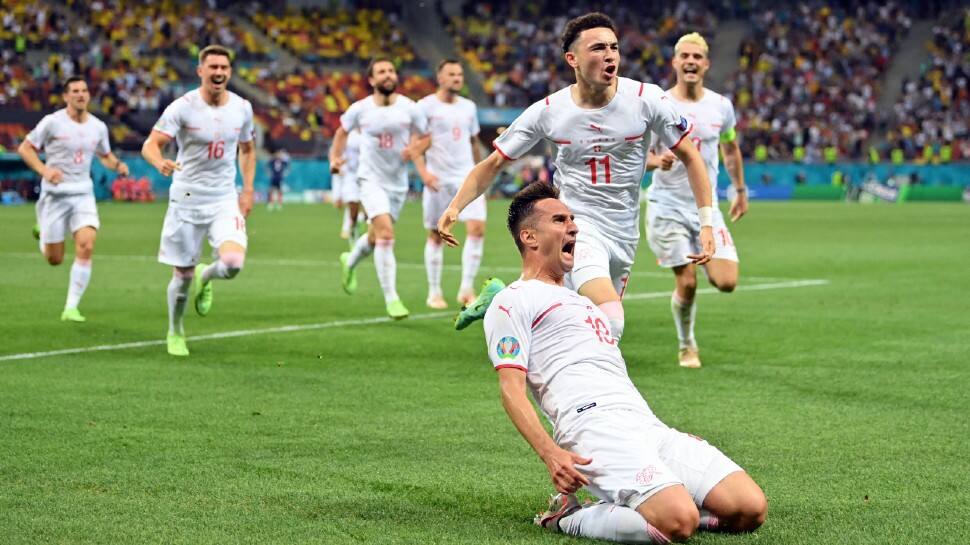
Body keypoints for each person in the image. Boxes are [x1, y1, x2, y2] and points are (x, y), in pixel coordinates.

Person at [484, 183, 766, 543]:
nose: (573, 226)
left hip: (644, 422)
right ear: (529, 237)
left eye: (572, 219)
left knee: (749, 508)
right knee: (677, 521)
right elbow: (511, 391)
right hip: (592, 426)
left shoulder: (582, 302)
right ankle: (569, 516)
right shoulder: (512, 301)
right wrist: (551, 454)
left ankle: (653, 504)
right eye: (559, 220)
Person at [437, 13, 715, 336]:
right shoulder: (550, 111)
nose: (609, 55)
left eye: (614, 47)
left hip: (624, 233)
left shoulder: (647, 99)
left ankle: (501, 299)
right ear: (573, 59)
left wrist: (706, 222)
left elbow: (691, 157)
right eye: (597, 48)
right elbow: (493, 163)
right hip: (576, 226)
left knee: (570, 322)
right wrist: (455, 206)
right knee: (611, 321)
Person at [141, 44, 257, 357]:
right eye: (213, 67)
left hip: (223, 197)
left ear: (230, 72)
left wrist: (247, 189)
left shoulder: (242, 108)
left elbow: (247, 148)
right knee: (182, 275)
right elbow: (151, 145)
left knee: (233, 263)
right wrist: (159, 162)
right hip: (188, 197)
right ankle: (176, 331)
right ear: (200, 71)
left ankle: (209, 276)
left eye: (224, 67)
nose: (218, 72)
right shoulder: (183, 107)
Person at [645, 33, 748, 369]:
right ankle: (687, 345)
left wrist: (740, 189)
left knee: (727, 281)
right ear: (675, 62)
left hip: (706, 209)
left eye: (697, 57)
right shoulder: (658, 102)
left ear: (706, 64)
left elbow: (730, 148)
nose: (690, 61)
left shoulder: (721, 106)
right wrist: (654, 162)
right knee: (686, 281)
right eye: (684, 56)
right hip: (667, 206)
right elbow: (635, 151)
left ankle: (701, 257)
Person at [17, 75, 129, 322]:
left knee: (87, 244)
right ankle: (42, 232)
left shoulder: (98, 127)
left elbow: (105, 155)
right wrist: (45, 171)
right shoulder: (52, 123)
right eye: (75, 91)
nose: (81, 95)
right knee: (54, 259)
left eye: (84, 90)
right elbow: (25, 148)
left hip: (83, 194)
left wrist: (117, 165)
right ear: (66, 96)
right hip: (55, 197)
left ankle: (71, 307)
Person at [328, 58, 429, 319]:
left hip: (397, 183)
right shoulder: (360, 109)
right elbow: (341, 133)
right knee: (385, 234)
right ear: (371, 80)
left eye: (391, 71)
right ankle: (392, 299)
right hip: (370, 180)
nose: (387, 75)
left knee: (375, 237)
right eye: (381, 72)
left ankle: (349, 261)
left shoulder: (410, 108)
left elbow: (427, 136)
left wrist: (416, 149)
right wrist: (335, 158)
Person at [414, 59, 486, 309]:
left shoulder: (469, 107)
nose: (457, 78)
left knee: (477, 229)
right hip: (438, 181)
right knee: (435, 235)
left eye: (460, 74)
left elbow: (473, 142)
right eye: (452, 74)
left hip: (467, 178)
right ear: (440, 78)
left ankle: (466, 289)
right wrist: (424, 174)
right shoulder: (425, 107)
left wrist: (482, 173)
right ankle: (434, 292)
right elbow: (416, 145)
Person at [331, 128, 364, 241]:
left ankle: (360, 220)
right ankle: (351, 228)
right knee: (352, 202)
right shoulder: (348, 136)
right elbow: (338, 155)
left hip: (367, 174)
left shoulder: (371, 133)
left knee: (368, 208)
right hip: (351, 175)